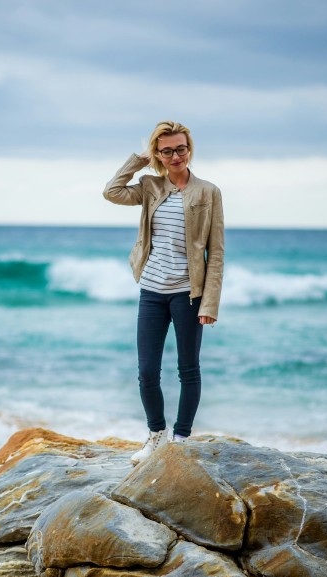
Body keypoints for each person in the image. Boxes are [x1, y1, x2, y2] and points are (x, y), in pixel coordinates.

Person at [103, 120, 224, 465]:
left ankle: (181, 438)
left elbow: (216, 251)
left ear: (190, 149)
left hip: (189, 294)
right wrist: (138, 161)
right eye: (167, 150)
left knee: (189, 369)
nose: (175, 156)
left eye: (181, 149)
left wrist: (210, 301)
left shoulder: (208, 192)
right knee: (147, 371)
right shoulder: (150, 186)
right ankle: (155, 435)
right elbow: (111, 192)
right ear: (158, 153)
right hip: (152, 291)